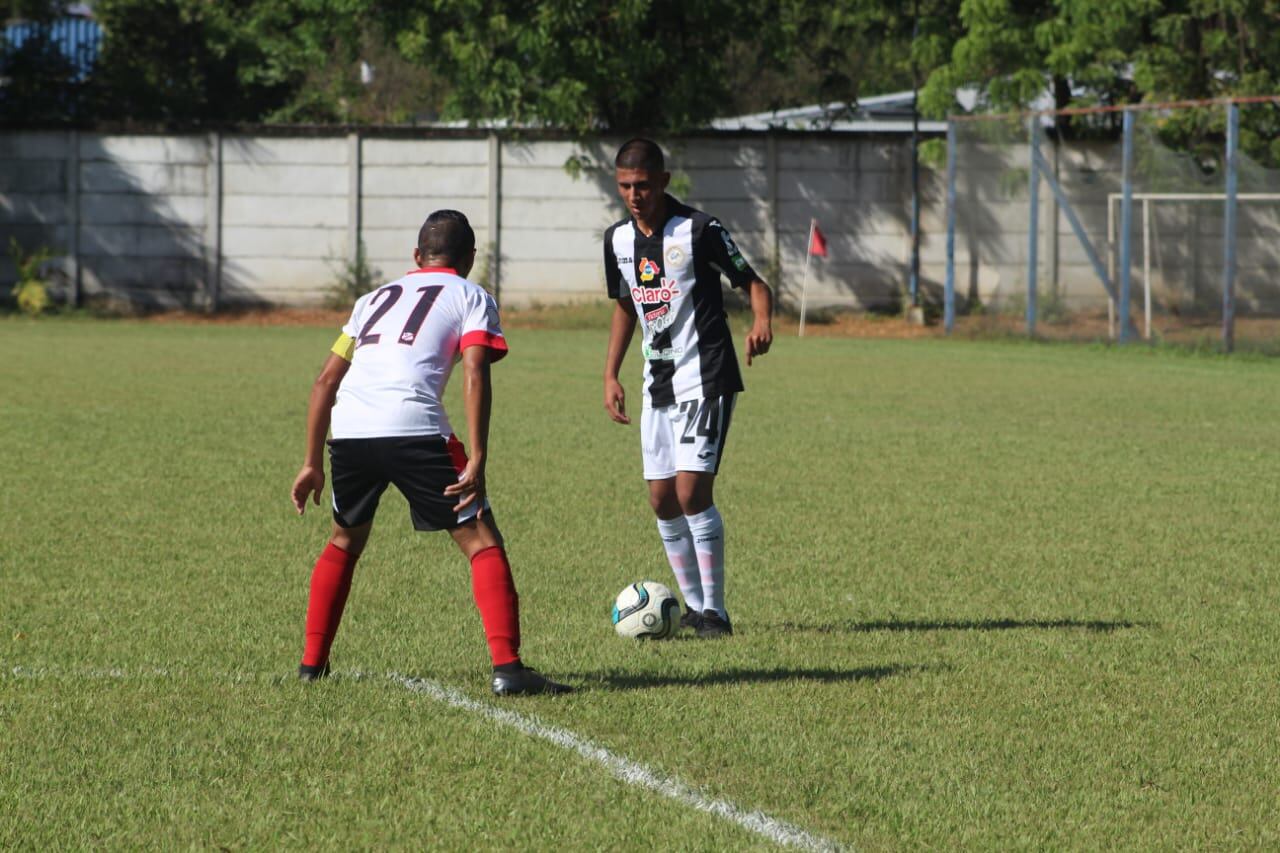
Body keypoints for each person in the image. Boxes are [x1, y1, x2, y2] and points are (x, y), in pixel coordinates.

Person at [290, 209, 571, 696]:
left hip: (350, 431)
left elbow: (324, 381)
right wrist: (479, 454)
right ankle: (509, 669)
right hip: (414, 427)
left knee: (344, 540)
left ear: (416, 257)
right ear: (469, 259)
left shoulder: (371, 299)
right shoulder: (472, 295)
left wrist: (312, 461)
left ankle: (311, 667)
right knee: (481, 540)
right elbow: (474, 371)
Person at [602, 138, 773, 638]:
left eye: (643, 185)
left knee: (691, 491)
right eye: (625, 187)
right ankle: (695, 608)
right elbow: (625, 305)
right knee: (661, 500)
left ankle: (716, 613)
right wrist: (610, 373)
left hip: (707, 373)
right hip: (657, 381)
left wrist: (761, 321)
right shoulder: (617, 240)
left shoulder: (700, 229)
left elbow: (751, 280)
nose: (634, 195)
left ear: (664, 182)